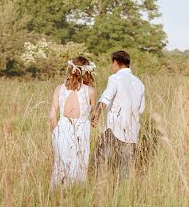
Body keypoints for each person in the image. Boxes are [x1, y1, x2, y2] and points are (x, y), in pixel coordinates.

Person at [92, 50, 145, 179]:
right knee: (125, 171)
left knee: (102, 164)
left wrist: (96, 116)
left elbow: (105, 98)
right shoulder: (139, 83)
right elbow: (141, 109)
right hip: (132, 131)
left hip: (114, 128)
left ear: (115, 62)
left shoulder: (115, 78)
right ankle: (122, 195)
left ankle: (101, 193)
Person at [49, 56, 97, 188]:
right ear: (86, 72)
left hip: (62, 128)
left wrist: (56, 132)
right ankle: (77, 192)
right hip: (81, 129)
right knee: (79, 164)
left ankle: (59, 193)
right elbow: (95, 113)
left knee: (61, 164)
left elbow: (52, 115)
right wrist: (94, 120)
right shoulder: (90, 91)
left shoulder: (59, 89)